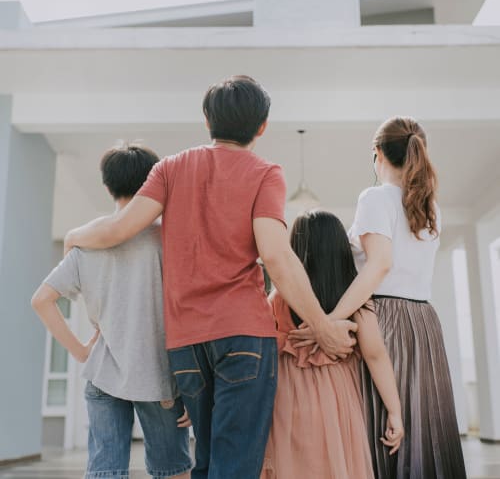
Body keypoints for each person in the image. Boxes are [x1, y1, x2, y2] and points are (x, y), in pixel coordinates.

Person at [62, 75, 358, 479]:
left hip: (185, 343)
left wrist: (75, 235)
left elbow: (120, 229)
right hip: (244, 336)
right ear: (262, 127)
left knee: (204, 462)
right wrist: (322, 327)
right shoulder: (265, 172)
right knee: (235, 464)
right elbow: (275, 254)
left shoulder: (170, 168)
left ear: (207, 120)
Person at [291, 116, 466, 479]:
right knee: (423, 426)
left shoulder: (375, 197)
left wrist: (332, 320)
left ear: (377, 153)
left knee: (384, 426)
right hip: (424, 324)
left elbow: (378, 266)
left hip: (386, 320)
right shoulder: (431, 206)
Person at [32, 145, 192, 479]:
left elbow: (41, 300)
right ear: (153, 182)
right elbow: (188, 311)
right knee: (172, 470)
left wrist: (80, 352)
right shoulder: (169, 238)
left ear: (107, 186)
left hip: (103, 371)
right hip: (160, 376)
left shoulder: (87, 242)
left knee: (104, 472)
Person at [261, 210, 404, 479]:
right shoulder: (356, 299)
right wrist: (394, 412)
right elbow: (376, 356)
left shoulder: (280, 297)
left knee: (292, 464)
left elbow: (264, 348)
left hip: (286, 395)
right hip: (339, 398)